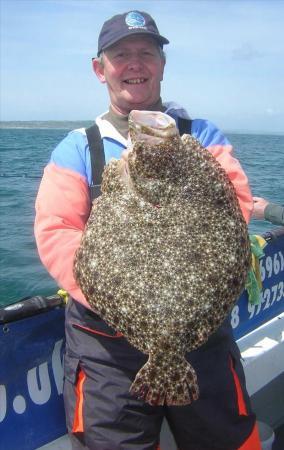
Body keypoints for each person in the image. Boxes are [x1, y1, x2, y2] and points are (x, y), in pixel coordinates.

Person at [34, 10, 261, 450]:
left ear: (161, 65)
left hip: (203, 342)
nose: (135, 64)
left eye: (146, 53)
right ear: (101, 69)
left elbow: (236, 207)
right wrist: (119, 298)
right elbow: (57, 231)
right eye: (122, 55)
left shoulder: (202, 135)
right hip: (106, 351)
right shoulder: (79, 147)